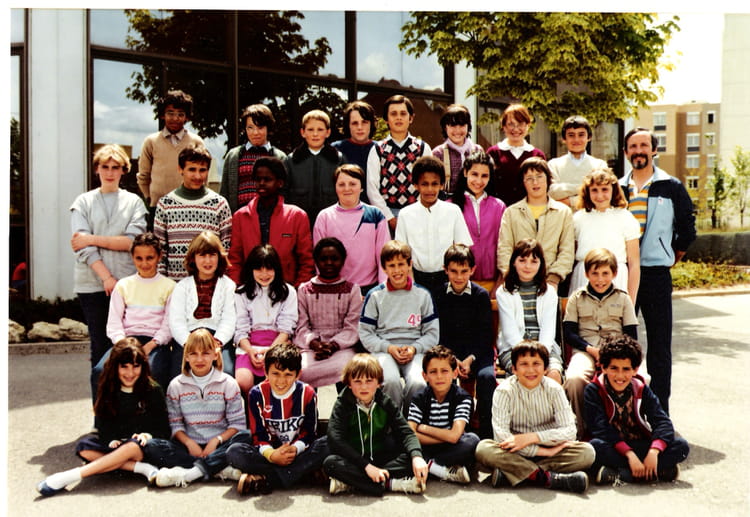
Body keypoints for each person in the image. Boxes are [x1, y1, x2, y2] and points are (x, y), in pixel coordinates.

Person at [619, 127, 696, 413]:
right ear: (626, 152)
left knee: (660, 346)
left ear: (654, 150)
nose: (638, 151)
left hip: (655, 275)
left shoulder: (670, 186)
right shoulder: (617, 187)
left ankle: (659, 412)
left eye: (644, 145)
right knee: (622, 344)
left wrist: (671, 254)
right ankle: (625, 410)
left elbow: (687, 227)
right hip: (623, 275)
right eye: (633, 146)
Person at [37, 339, 170, 496]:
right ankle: (143, 469)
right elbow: (103, 424)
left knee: (131, 447)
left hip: (142, 446)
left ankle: (68, 476)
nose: (130, 373)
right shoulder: (108, 387)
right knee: (84, 447)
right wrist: (111, 440)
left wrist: (147, 435)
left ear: (143, 366)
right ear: (115, 366)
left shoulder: (152, 390)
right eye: (124, 367)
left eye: (136, 366)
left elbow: (163, 428)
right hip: (118, 445)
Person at [475, 341, 594, 494]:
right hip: (516, 451)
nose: (530, 370)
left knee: (587, 452)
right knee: (483, 449)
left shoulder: (554, 389)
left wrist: (533, 438)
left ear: (545, 369)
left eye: (536, 364)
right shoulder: (504, 391)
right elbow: (502, 436)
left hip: (550, 447)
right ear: (514, 369)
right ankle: (548, 477)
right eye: (524, 364)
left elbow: (570, 431)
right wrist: (543, 452)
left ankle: (515, 474)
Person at [143, 328, 252, 488]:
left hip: (219, 444)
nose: (199, 359)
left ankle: (191, 473)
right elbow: (175, 424)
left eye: (205, 353)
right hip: (189, 446)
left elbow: (237, 425)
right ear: (186, 356)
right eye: (193, 354)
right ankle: (217, 468)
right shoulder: (176, 385)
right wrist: (189, 443)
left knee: (247, 437)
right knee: (152, 446)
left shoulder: (228, 383)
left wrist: (216, 440)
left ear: (215, 355)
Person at [70, 144, 147, 369]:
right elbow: (81, 247)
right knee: (100, 346)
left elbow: (132, 242)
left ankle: (126, 392)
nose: (110, 172)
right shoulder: (82, 202)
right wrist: (106, 277)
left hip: (126, 282)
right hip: (91, 284)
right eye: (105, 167)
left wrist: (92, 238)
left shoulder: (134, 202)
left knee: (127, 347)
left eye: (116, 167)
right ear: (97, 169)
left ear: (124, 170)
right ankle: (101, 393)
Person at [584, 334, 689, 484]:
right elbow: (601, 429)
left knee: (681, 446)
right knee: (594, 447)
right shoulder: (593, 390)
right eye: (614, 368)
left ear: (635, 370)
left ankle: (623, 474)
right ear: (604, 368)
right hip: (614, 445)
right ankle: (657, 471)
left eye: (626, 369)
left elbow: (662, 422)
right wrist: (630, 455)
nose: (620, 376)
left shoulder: (640, 388)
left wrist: (654, 451)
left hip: (638, 442)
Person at [226, 342, 329, 495]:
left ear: (298, 374)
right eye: (276, 374)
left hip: (297, 451)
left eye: (288, 374)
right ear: (266, 372)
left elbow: (309, 432)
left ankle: (267, 478)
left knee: (329, 443)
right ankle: (301, 474)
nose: (281, 381)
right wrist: (272, 455)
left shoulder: (307, 393)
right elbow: (259, 434)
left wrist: (295, 448)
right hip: (270, 450)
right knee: (234, 451)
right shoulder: (256, 394)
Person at [323, 353, 429, 496]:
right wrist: (366, 467)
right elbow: (335, 438)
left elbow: (405, 431)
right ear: (349, 384)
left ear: (379, 383)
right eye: (357, 381)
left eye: (369, 381)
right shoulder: (343, 404)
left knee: (415, 456)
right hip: (355, 460)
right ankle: (390, 484)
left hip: (380, 457)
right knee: (330, 463)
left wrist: (417, 457)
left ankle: (353, 483)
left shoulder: (384, 402)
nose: (364, 387)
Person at [563, 248, 639, 439]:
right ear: (586, 274)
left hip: (617, 352)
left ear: (614, 273)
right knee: (574, 379)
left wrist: (612, 353)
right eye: (595, 273)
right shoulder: (576, 298)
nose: (600, 279)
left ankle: (626, 429)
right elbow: (569, 333)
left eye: (605, 273)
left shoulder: (623, 298)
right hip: (585, 350)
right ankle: (582, 430)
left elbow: (631, 335)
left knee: (641, 379)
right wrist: (591, 350)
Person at [91, 232, 176, 397]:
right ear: (132, 257)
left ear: (159, 257)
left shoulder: (170, 287)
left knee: (154, 371)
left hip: (155, 343)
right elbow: (114, 323)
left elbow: (168, 325)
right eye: (139, 258)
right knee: (100, 371)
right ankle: (103, 413)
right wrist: (124, 345)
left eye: (150, 258)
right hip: (126, 341)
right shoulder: (123, 285)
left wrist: (151, 345)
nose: (144, 263)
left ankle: (153, 412)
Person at [359, 240, 440, 412]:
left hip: (415, 350)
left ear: (410, 264)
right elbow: (366, 333)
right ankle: (392, 422)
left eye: (401, 264)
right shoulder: (375, 295)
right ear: (384, 268)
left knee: (418, 382)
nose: (397, 270)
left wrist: (414, 348)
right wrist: (388, 348)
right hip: (385, 350)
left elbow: (432, 333)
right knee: (390, 381)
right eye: (391, 265)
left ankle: (410, 422)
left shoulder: (423, 294)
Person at [432, 244, 497, 439]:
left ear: (472, 270)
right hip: (449, 353)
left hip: (477, 352)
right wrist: (454, 360)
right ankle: (451, 427)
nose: (459, 277)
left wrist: (469, 359)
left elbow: (485, 334)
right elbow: (439, 332)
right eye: (454, 271)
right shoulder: (438, 294)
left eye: (464, 271)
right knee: (443, 375)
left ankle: (486, 432)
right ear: (445, 270)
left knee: (486, 377)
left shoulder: (480, 295)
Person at [227, 156, 314, 288]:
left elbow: (306, 261)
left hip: (286, 290)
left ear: (280, 183)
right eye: (258, 179)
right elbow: (234, 259)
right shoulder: (240, 216)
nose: (262, 183)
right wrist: (237, 288)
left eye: (267, 179)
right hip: (249, 291)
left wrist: (297, 290)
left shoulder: (297, 216)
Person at [395, 155, 473, 298]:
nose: (430, 189)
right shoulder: (405, 214)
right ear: (415, 185)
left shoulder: (453, 211)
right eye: (424, 184)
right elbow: (402, 255)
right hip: (417, 279)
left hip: (447, 279)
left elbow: (463, 248)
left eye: (434, 184)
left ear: (442, 184)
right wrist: (411, 284)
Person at [153, 145, 232, 281]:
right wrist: (163, 284)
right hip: (175, 285)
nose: (197, 176)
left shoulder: (219, 204)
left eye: (202, 170)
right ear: (180, 169)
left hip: (210, 285)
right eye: (192, 169)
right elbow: (160, 251)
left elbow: (226, 249)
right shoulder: (165, 204)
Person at [495, 156, 574, 290]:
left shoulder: (563, 212)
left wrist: (553, 279)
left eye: (539, 176)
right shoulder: (511, 212)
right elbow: (504, 249)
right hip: (517, 283)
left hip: (551, 283)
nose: (535, 182)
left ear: (548, 179)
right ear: (523, 182)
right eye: (529, 178)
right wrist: (512, 277)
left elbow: (567, 251)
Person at [294, 238, 363, 388]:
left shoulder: (353, 290)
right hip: (311, 348)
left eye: (334, 258)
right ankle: (309, 403)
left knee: (348, 368)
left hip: (343, 348)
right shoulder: (304, 290)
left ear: (343, 261)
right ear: (316, 261)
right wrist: (315, 344)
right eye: (323, 259)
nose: (329, 263)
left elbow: (353, 327)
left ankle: (344, 403)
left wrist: (333, 345)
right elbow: (301, 326)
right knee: (301, 370)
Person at [407, 345, 480, 484]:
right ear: (425, 376)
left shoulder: (462, 398)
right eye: (433, 372)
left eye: (444, 371)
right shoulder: (420, 397)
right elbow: (410, 434)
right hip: (425, 446)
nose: (439, 376)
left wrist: (423, 428)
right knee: (394, 441)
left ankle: (428, 466)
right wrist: (446, 437)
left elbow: (454, 436)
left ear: (455, 373)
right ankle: (439, 470)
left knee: (472, 440)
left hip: (451, 448)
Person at [313, 164, 389, 295]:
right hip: (335, 289)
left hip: (369, 290)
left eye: (352, 184)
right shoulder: (324, 217)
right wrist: (325, 287)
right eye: (341, 184)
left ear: (361, 187)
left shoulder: (376, 215)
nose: (347, 188)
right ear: (335, 187)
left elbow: (383, 256)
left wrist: (383, 290)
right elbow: (319, 259)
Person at [168, 232, 237, 377]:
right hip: (189, 338)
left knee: (226, 373)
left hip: (217, 337)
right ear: (193, 258)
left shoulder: (228, 286)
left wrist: (217, 342)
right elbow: (176, 321)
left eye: (212, 255)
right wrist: (189, 344)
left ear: (219, 257)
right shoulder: (182, 286)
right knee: (178, 374)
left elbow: (229, 320)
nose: (207, 261)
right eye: (202, 255)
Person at [233, 244, 298, 396]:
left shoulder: (289, 292)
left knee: (277, 381)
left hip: (278, 344)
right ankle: (252, 410)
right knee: (243, 381)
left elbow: (286, 328)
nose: (264, 274)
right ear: (251, 270)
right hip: (249, 346)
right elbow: (241, 327)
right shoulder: (241, 293)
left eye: (269, 269)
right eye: (258, 269)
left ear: (276, 269)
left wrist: (270, 352)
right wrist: (250, 351)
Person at [496, 239, 563, 384]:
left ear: (541, 264)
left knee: (553, 375)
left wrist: (540, 357)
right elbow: (510, 332)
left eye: (534, 261)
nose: (528, 266)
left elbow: (548, 331)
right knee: (525, 373)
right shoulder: (504, 291)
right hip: (513, 349)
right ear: (514, 262)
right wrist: (528, 358)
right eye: (522, 260)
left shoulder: (549, 292)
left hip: (545, 348)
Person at [569, 168, 641, 303]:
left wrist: (631, 300)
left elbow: (634, 264)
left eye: (604, 189)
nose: (600, 195)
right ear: (587, 192)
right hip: (584, 277)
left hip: (615, 278)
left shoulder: (626, 218)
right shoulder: (578, 218)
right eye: (594, 190)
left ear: (614, 190)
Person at [137, 90, 205, 227]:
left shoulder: (196, 142)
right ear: (162, 115)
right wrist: (150, 198)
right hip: (158, 207)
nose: (175, 118)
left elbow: (203, 175)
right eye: (170, 113)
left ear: (187, 117)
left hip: (189, 206)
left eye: (180, 114)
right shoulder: (151, 141)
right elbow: (143, 176)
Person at [366, 95, 432, 233]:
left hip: (417, 214)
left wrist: (417, 211)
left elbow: (428, 183)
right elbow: (372, 187)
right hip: (387, 214)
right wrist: (389, 217)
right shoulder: (378, 149)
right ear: (386, 119)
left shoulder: (422, 148)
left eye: (403, 113)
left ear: (411, 118)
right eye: (393, 114)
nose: (398, 118)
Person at [448, 150, 505, 284]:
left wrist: (500, 280)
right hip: (460, 282)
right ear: (465, 172)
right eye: (474, 174)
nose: (479, 181)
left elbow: (504, 245)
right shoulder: (451, 206)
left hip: (493, 281)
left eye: (484, 176)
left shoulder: (499, 206)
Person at [220, 104, 288, 213]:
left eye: (260, 128)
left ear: (268, 128)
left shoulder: (280, 157)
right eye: (250, 128)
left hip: (272, 215)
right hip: (240, 215)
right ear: (245, 129)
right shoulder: (233, 156)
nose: (255, 133)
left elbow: (285, 193)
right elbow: (224, 193)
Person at [284, 109, 344, 225]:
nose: (315, 134)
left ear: (328, 132)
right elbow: (283, 193)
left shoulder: (338, 159)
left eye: (320, 129)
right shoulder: (291, 160)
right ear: (303, 132)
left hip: (332, 221)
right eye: (310, 129)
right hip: (298, 222)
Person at [486, 104, 546, 206]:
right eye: (511, 124)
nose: (516, 129)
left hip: (530, 210)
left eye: (520, 124)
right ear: (504, 126)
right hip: (500, 210)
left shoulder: (537, 155)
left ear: (528, 126)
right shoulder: (493, 153)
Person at [548, 115, 609, 208]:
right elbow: (552, 192)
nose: (576, 140)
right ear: (564, 139)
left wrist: (569, 202)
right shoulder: (553, 165)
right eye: (571, 135)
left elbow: (600, 195)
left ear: (589, 137)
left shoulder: (600, 165)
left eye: (581, 135)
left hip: (591, 215)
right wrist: (585, 187)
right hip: (562, 217)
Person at [431, 104, 484, 195]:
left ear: (468, 126)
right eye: (453, 125)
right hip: (447, 201)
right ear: (445, 127)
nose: (458, 130)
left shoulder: (477, 150)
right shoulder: (438, 153)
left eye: (462, 125)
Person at [331, 100, 377, 194]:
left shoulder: (382, 150)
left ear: (371, 124)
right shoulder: (335, 150)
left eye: (364, 122)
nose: (360, 127)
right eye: (355, 123)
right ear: (348, 125)